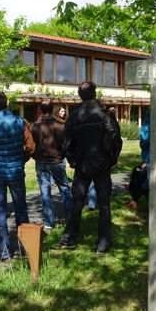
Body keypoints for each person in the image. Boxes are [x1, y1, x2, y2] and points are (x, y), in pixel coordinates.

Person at [59, 82, 122, 254]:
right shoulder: (104, 113)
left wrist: (73, 161)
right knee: (104, 204)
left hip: (83, 165)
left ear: (80, 96)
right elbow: (116, 138)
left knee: (77, 202)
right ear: (94, 94)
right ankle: (103, 242)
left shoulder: (74, 116)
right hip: (101, 164)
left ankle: (69, 237)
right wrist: (111, 159)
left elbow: (65, 143)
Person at [0, 92, 35, 261]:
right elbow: (31, 147)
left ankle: (4, 252)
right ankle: (25, 248)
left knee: (0, 212)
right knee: (21, 209)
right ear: (7, 103)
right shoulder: (21, 122)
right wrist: (21, 160)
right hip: (16, 172)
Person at [30, 100, 72, 230]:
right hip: (57, 161)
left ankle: (49, 221)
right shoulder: (61, 126)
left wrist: (35, 156)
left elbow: (31, 146)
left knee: (45, 191)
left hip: (42, 162)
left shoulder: (35, 126)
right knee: (65, 190)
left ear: (40, 110)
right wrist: (63, 155)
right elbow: (67, 144)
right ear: (52, 109)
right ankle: (71, 218)